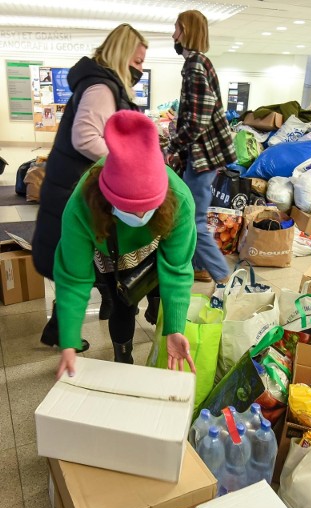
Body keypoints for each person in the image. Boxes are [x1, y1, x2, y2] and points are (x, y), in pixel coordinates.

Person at [54, 110, 197, 380]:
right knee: (122, 305)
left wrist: (175, 328)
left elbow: (177, 267)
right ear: (106, 196)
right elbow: (73, 277)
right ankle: (123, 356)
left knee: (158, 284)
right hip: (111, 252)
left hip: (154, 249)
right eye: (129, 209)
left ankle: (156, 307)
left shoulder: (180, 198)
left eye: (147, 209)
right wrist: (70, 339)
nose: (139, 218)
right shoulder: (81, 205)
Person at [32, 23, 148, 352]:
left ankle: (58, 327)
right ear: (121, 54)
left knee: (78, 260)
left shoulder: (103, 83)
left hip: (73, 186)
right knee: (80, 261)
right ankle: (68, 324)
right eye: (137, 62)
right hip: (75, 190)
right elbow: (85, 138)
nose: (139, 69)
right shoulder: (102, 86)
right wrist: (128, 160)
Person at [164, 9, 235, 284]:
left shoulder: (194, 65)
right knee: (192, 211)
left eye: (176, 28)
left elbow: (199, 116)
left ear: (187, 31)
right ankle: (199, 268)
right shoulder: (200, 62)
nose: (173, 35)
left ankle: (222, 275)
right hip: (205, 155)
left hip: (203, 156)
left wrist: (174, 144)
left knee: (193, 219)